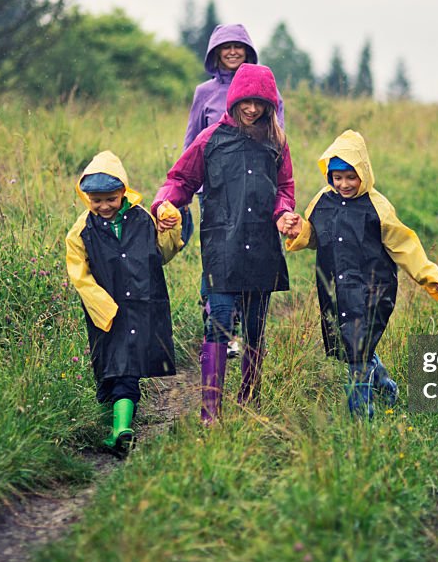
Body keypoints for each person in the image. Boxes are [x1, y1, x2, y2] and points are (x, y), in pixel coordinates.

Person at [153, 63, 297, 423]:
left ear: (270, 105)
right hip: (222, 246)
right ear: (234, 100)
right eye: (246, 101)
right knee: (217, 321)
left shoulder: (276, 142)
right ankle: (210, 411)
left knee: (255, 327)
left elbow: (285, 189)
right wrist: (165, 204)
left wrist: (283, 213)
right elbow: (180, 180)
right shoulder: (210, 139)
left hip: (263, 246)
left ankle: (249, 400)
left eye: (260, 103)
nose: (252, 109)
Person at [285, 130, 438, 418]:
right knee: (350, 345)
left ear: (363, 172)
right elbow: (316, 235)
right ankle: (385, 385)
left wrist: (427, 275)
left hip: (373, 289)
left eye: (351, 176)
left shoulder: (378, 206)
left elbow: (404, 244)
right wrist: (300, 230)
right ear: (329, 176)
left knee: (357, 351)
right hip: (335, 289)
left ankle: (362, 419)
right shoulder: (323, 200)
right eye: (338, 177)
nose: (344, 184)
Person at [65, 151, 183, 457]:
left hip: (143, 304)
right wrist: (101, 304)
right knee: (110, 367)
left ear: (123, 193)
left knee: (126, 367)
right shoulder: (81, 230)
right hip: (107, 311)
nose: (104, 206)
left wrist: (171, 227)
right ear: (86, 197)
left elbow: (163, 254)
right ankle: (116, 420)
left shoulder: (143, 219)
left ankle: (121, 430)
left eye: (111, 199)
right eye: (96, 200)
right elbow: (79, 274)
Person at [180, 24, 285, 360]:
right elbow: (193, 141)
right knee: (217, 265)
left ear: (248, 51)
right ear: (215, 53)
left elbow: (275, 139)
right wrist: (187, 190)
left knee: (250, 264)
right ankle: (216, 329)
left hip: (253, 196)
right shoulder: (204, 92)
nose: (232, 53)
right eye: (225, 48)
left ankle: (235, 335)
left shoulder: (268, 92)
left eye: (238, 47)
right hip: (216, 192)